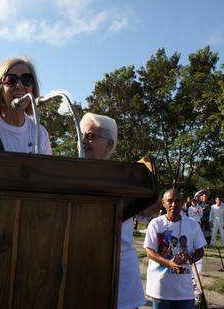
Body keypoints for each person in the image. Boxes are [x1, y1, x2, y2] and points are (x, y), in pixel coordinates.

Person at [79, 112, 145, 309]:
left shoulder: (124, 178)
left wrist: (142, 183)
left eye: (90, 136)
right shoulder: (67, 174)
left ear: (109, 145)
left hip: (120, 276)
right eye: (80, 135)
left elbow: (151, 210)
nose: (83, 141)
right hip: (80, 274)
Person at [144, 189, 206, 309]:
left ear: (182, 203)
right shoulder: (155, 224)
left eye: (177, 201)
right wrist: (169, 263)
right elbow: (149, 252)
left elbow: (200, 250)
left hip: (185, 289)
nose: (174, 204)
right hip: (161, 288)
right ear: (163, 203)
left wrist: (191, 258)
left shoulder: (193, 224)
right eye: (170, 201)